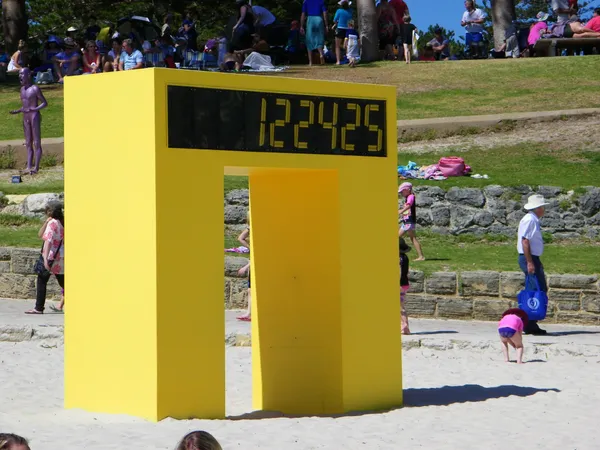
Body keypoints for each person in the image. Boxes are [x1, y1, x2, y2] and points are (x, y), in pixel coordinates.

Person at [517, 194, 550, 335]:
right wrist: (530, 262)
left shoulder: (531, 219)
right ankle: (529, 323)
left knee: (536, 288)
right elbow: (525, 241)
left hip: (531, 257)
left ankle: (530, 322)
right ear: (538, 208)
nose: (544, 210)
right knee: (535, 290)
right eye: (542, 207)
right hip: (529, 258)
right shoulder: (530, 220)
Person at [25, 202, 64, 314]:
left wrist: (45, 259)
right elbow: (40, 234)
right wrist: (46, 222)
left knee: (42, 280)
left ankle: (38, 308)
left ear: (49, 211)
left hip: (51, 256)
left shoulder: (52, 223)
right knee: (63, 281)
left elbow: (48, 241)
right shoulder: (62, 222)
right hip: (60, 256)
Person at [9, 68, 48, 175]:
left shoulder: (35, 88)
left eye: (22, 74)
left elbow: (44, 103)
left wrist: (35, 109)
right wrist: (17, 111)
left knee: (36, 142)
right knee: (27, 142)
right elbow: (25, 106)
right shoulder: (22, 90)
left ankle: (36, 167)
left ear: (28, 75)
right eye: (19, 74)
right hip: (25, 116)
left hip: (34, 116)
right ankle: (29, 166)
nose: (20, 76)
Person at [398, 182, 425, 261]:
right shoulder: (408, 197)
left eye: (402, 191)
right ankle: (421, 256)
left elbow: (409, 205)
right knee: (413, 238)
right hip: (408, 221)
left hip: (409, 222)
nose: (401, 193)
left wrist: (401, 211)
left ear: (407, 190)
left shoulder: (411, 196)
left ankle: (404, 249)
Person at [301, 0, 328, 66]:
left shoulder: (306, 1)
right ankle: (321, 54)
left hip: (310, 19)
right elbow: (325, 13)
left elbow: (303, 14)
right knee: (319, 38)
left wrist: (301, 26)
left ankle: (310, 62)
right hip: (319, 18)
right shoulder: (321, 1)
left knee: (309, 39)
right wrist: (326, 25)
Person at [236, 221, 252, 321]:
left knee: (252, 290)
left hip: (254, 264)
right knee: (250, 290)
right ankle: (249, 313)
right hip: (252, 262)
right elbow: (240, 238)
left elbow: (240, 238)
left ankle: (250, 313)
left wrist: (245, 268)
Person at [333, 0, 353, 65]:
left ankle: (338, 61)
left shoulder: (339, 11)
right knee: (348, 45)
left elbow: (335, 20)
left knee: (337, 46)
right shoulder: (351, 11)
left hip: (340, 28)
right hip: (348, 29)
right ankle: (349, 59)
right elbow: (351, 21)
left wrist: (336, 24)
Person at [399, 237, 411, 335]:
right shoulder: (405, 257)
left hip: (398, 284)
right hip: (404, 284)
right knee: (401, 306)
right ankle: (405, 328)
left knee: (399, 307)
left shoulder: (398, 259)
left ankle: (403, 327)